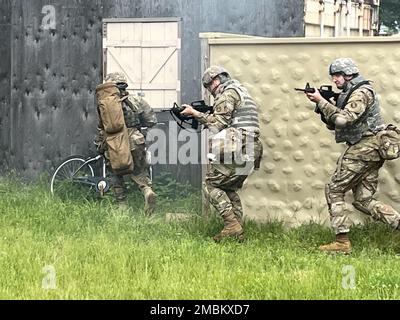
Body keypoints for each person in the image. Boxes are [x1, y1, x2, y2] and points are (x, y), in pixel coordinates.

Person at [305, 58, 400, 253]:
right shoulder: (351, 92)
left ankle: (341, 242)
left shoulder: (360, 92)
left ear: (349, 74)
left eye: (338, 75)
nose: (335, 80)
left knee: (334, 189)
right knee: (363, 200)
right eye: (333, 76)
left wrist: (322, 102)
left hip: (365, 147)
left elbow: (342, 119)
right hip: (370, 149)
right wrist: (324, 106)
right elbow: (334, 122)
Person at [180, 66, 263, 242]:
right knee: (228, 187)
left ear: (216, 80)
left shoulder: (227, 94)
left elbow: (216, 125)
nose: (210, 90)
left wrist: (195, 113)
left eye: (209, 86)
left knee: (210, 185)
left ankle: (231, 225)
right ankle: (237, 231)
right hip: (251, 149)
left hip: (238, 147)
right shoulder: (242, 91)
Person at [96, 72, 157, 215]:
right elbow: (151, 120)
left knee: (115, 173)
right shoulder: (137, 100)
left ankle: (122, 206)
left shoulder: (105, 104)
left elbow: (101, 127)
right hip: (135, 140)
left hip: (113, 142)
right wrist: (141, 133)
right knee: (139, 171)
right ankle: (147, 191)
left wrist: (99, 144)